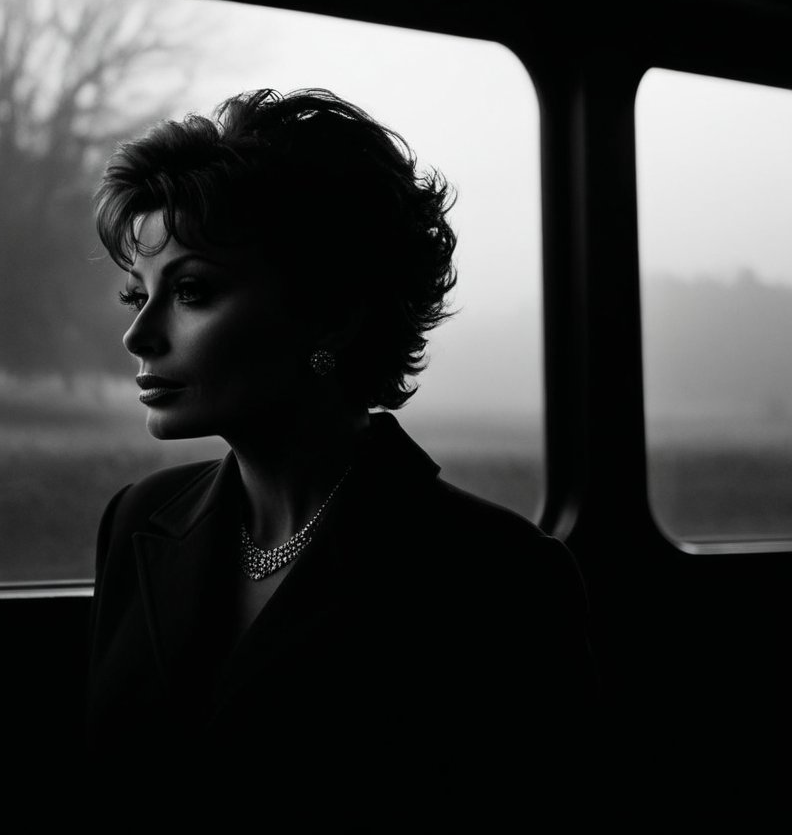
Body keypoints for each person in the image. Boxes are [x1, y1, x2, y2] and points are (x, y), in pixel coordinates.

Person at [85, 88, 597, 815]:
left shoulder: (501, 580)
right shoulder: (137, 521)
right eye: (137, 296)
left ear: (331, 315)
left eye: (193, 290)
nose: (140, 337)